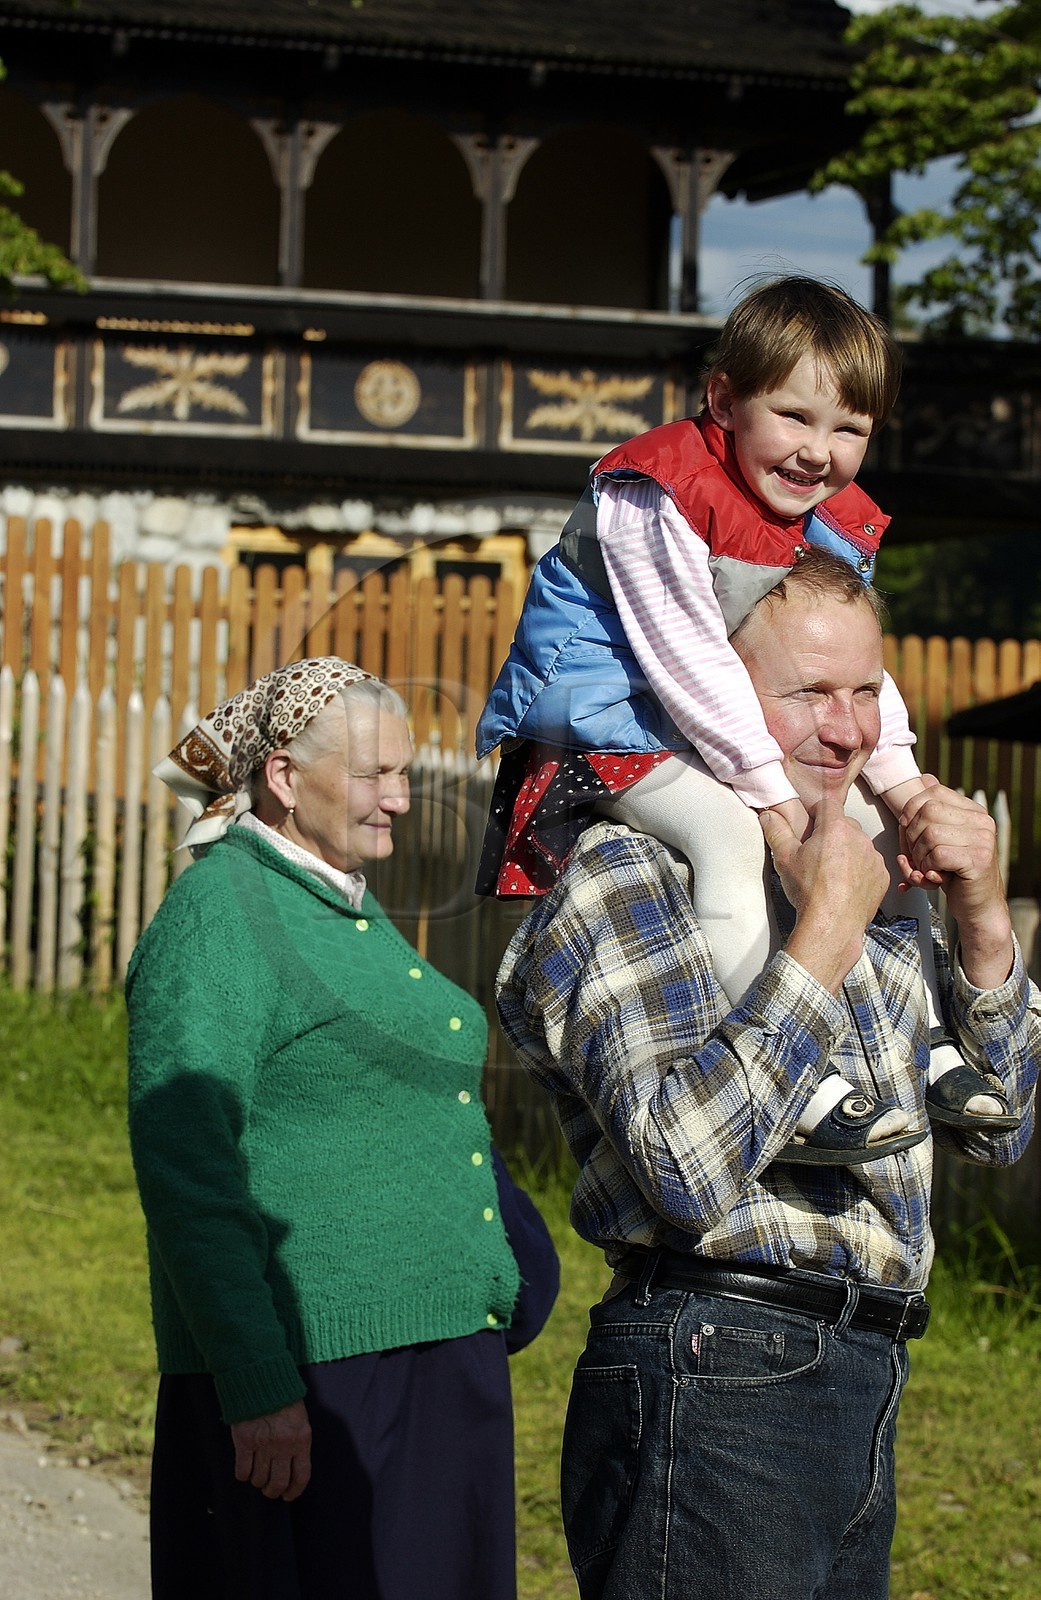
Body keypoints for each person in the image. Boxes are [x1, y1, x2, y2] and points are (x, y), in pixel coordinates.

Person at [495, 551, 1039, 1600]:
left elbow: (1000, 1123)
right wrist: (825, 932)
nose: (848, 729)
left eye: (866, 692)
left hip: (862, 1372)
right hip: (716, 1365)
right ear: (710, 693)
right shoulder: (625, 876)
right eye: (810, 695)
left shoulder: (870, 871)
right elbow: (685, 1171)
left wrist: (978, 919)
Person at [478, 275, 1011, 1162]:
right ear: (722, 398)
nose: (818, 451)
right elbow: (687, 664)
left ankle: (925, 1046)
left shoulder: (829, 521)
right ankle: (803, 1084)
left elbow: (855, 667)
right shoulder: (656, 488)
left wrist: (905, 782)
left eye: (849, 429)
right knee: (728, 837)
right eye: (794, 417)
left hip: (715, 726)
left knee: (881, 834)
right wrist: (772, 799)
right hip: (612, 722)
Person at [126, 657, 558, 1600]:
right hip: (325, 1381)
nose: (401, 800)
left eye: (405, 773)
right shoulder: (222, 915)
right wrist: (256, 1386)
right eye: (375, 776)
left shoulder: (335, 904)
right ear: (283, 777)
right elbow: (186, 1165)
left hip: (429, 1363)